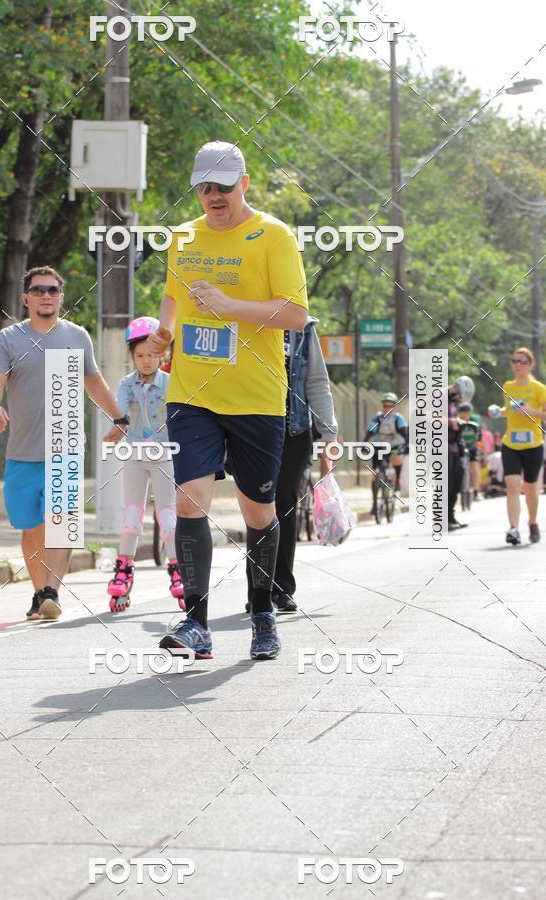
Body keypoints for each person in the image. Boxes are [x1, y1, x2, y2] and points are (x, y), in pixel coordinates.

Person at [146, 140, 308, 661]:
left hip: (255, 396)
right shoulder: (183, 237)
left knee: (257, 510)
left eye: (222, 186)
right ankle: (195, 621)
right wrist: (165, 332)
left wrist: (232, 306)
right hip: (192, 392)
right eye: (204, 187)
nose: (213, 196)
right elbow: (174, 293)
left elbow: (295, 315)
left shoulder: (274, 236)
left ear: (243, 183)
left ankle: (262, 609)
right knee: (189, 499)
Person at [0, 266, 126, 620]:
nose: (45, 295)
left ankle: (52, 592)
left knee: (61, 521)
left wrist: (119, 417)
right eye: (38, 290)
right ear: (26, 298)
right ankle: (38, 594)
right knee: (31, 528)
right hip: (22, 452)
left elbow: (94, 382)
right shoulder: (9, 338)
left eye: (52, 290)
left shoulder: (76, 336)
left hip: (66, 448)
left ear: (61, 296)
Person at [244, 317, 338, 615]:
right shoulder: (244, 318)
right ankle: (257, 590)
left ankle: (282, 587)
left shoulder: (302, 328)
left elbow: (316, 381)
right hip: (251, 426)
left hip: (294, 430)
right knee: (257, 503)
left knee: (284, 502)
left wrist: (328, 432)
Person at [106, 317, 184, 613]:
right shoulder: (126, 384)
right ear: (132, 356)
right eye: (140, 355)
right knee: (132, 514)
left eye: (152, 355)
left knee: (167, 516)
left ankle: (177, 567)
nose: (146, 361)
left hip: (165, 454)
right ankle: (124, 568)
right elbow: (121, 409)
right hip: (135, 455)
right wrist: (119, 425)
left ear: (162, 354)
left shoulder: (171, 382)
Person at [488, 347, 546, 545]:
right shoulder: (508, 386)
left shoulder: (539, 388)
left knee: (531, 489)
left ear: (530, 365)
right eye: (514, 361)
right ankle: (513, 528)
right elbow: (511, 410)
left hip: (533, 444)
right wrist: (499, 411)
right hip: (510, 443)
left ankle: (532, 521)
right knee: (512, 486)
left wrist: (531, 411)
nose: (517, 365)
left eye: (522, 361)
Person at [364, 392, 408, 516]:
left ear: (394, 406)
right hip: (380, 445)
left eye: (390, 405)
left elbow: (405, 435)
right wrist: (364, 443)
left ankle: (397, 480)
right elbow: (370, 432)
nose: (387, 407)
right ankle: (374, 504)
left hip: (395, 445)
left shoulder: (398, 419)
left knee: (397, 458)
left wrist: (405, 447)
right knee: (375, 473)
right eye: (385, 405)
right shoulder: (377, 418)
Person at [447, 383, 467, 530]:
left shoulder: (453, 404)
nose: (461, 399)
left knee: (457, 482)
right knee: (446, 484)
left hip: (453, 447)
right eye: (460, 395)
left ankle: (450, 516)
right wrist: (450, 422)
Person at [458, 402, 482, 500]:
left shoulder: (474, 421)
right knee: (460, 469)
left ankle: (476, 491)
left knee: (475, 468)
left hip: (472, 446)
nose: (466, 415)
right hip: (461, 446)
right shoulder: (458, 421)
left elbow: (479, 435)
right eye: (463, 412)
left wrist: (478, 445)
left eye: (468, 412)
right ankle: (460, 490)